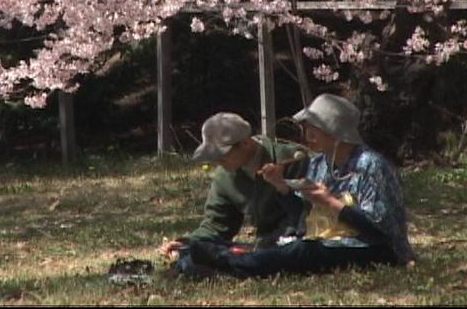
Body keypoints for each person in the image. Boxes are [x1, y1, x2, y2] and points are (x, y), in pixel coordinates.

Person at [188, 94, 416, 278]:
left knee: (302, 252)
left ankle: (226, 264)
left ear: (336, 132)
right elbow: (303, 217)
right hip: (323, 240)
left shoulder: (371, 166)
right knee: (293, 249)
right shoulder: (319, 163)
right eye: (307, 127)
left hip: (372, 248)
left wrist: (332, 203)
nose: (308, 135)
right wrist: (282, 188)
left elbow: (382, 228)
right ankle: (210, 260)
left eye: (314, 128)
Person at [159, 112, 309, 276]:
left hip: (296, 243)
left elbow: (310, 213)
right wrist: (187, 243)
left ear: (245, 143)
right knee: (196, 254)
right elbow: (216, 225)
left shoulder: (292, 159)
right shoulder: (225, 176)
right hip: (261, 248)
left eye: (221, 155)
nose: (217, 162)